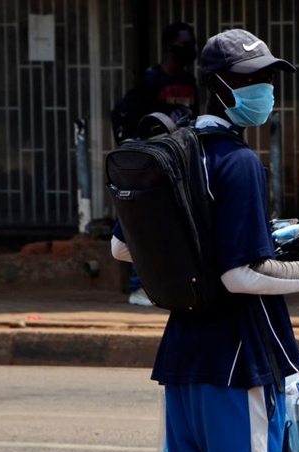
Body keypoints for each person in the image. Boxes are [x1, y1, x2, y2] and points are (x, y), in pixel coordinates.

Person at [110, 29, 299, 452]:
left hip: (183, 359)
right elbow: (240, 275)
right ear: (218, 87)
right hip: (240, 361)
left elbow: (123, 246)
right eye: (251, 79)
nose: (266, 90)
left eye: (268, 77)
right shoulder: (238, 162)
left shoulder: (171, 153)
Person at [111, 21, 200, 307]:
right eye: (184, 44)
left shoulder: (190, 82)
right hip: (152, 162)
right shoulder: (151, 80)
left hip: (178, 161)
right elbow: (133, 118)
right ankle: (139, 287)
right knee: (144, 222)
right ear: (170, 46)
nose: (189, 50)